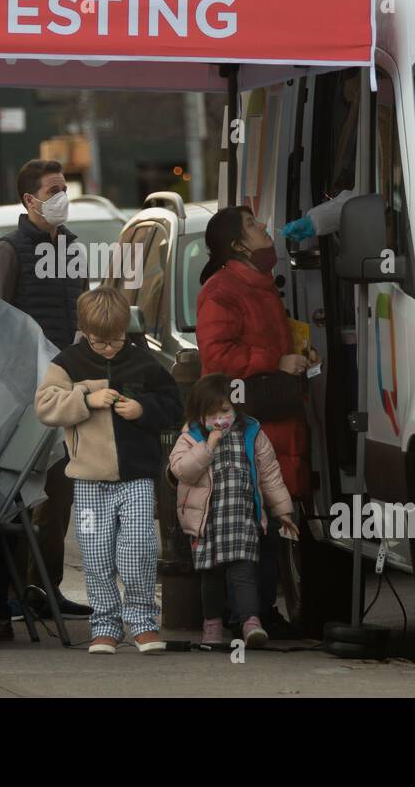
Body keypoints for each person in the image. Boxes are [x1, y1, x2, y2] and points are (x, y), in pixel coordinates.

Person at [35, 287, 181, 654]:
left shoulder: (145, 363)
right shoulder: (67, 363)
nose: (109, 348)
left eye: (116, 339)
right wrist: (86, 399)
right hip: (88, 479)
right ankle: (105, 625)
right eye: (99, 342)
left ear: (125, 329)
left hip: (137, 478)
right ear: (85, 332)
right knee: (96, 554)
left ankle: (143, 623)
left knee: (137, 553)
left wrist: (143, 409)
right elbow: (46, 406)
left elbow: (173, 407)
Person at [0, 158, 92, 620]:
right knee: (19, 493)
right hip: (24, 395)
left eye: (64, 187)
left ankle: (46, 588)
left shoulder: (73, 249)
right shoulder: (7, 252)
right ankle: (8, 591)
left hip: (66, 389)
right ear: (30, 200)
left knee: (60, 492)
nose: (62, 196)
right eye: (54, 189)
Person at [195, 206, 315, 636]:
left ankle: (261, 613)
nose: (265, 226)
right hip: (253, 425)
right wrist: (276, 361)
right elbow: (218, 359)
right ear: (238, 245)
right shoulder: (222, 290)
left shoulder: (261, 285)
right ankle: (248, 616)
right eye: (252, 225)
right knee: (254, 525)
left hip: (275, 423)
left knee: (269, 524)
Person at [168, 374, 298, 648]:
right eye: (211, 414)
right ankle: (212, 625)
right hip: (208, 522)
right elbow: (183, 471)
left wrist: (282, 510)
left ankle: (250, 622)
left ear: (236, 407)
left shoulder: (252, 432)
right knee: (211, 575)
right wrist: (209, 446)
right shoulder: (190, 438)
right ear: (199, 415)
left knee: (245, 572)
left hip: (242, 518)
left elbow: (270, 474)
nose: (220, 420)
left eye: (225, 411)